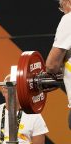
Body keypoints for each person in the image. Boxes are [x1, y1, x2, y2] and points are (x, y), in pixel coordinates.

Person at [46, 0, 71, 129]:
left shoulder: (69, 19)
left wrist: (55, 70)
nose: (63, 11)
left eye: (62, 7)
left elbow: (51, 65)